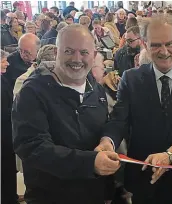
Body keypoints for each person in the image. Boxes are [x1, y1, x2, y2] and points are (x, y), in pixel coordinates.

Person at [99, 14, 172, 204]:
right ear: (145, 44)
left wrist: (170, 155)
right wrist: (107, 141)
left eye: (169, 44)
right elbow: (119, 121)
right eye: (156, 45)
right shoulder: (130, 78)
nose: (163, 51)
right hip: (143, 179)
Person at [13, 24, 121, 203]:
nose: (76, 59)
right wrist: (90, 163)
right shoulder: (32, 93)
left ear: (94, 56)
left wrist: (107, 140)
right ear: (57, 53)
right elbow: (33, 147)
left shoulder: (95, 89)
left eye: (84, 52)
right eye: (69, 51)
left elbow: (108, 124)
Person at [1, 50, 19, 204]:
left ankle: (11, 196)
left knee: (9, 167)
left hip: (7, 131)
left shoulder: (3, 78)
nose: (7, 63)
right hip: (3, 133)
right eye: (3, 61)